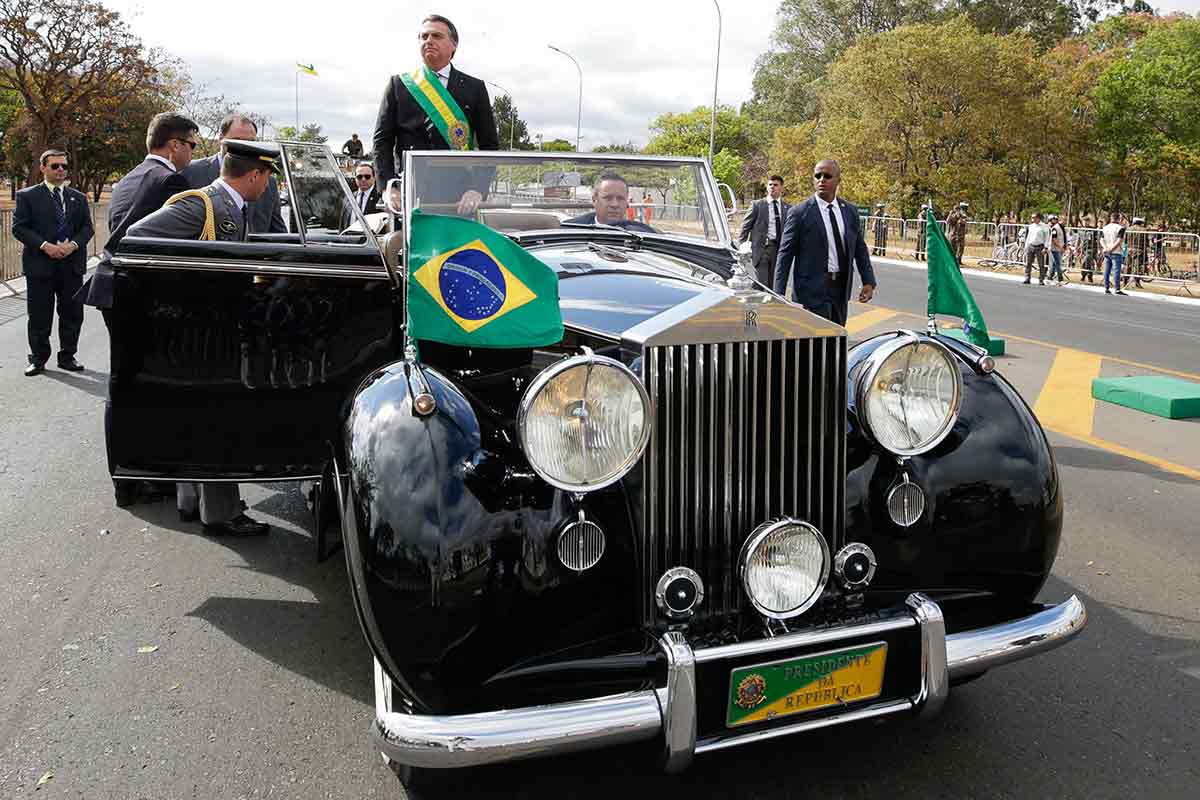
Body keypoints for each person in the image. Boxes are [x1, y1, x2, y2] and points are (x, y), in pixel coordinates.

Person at [125, 140, 281, 537]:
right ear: (255, 175)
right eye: (267, 178)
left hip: (211, 328)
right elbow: (137, 238)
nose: (267, 187)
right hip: (201, 329)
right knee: (218, 418)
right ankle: (222, 513)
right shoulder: (201, 204)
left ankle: (193, 501)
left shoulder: (229, 205)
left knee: (198, 415)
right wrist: (184, 294)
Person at [372, 14, 499, 214]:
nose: (429, 41)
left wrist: (478, 189)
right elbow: (382, 141)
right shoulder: (399, 85)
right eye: (424, 37)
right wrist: (388, 186)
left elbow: (490, 145)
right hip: (410, 194)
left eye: (437, 36)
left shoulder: (475, 88)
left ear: (453, 45)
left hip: (459, 199)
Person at [81, 113, 198, 310]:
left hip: (112, 283)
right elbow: (182, 240)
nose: (193, 152)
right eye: (192, 145)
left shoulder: (129, 177)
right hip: (145, 288)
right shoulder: (171, 181)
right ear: (175, 145)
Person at [12, 149, 94, 376]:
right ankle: (38, 359)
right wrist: (45, 246)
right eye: (55, 166)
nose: (60, 170)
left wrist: (73, 246)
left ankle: (68, 356)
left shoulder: (78, 197)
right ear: (43, 168)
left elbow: (87, 228)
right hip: (40, 265)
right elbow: (19, 227)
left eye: (64, 166)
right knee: (39, 315)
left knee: (72, 313)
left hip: (71, 265)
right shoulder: (27, 196)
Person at [773, 159, 876, 325]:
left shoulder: (849, 211)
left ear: (838, 181)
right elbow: (785, 254)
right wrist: (778, 293)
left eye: (827, 176)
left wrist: (868, 281)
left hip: (840, 289)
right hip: (811, 292)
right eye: (817, 175)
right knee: (814, 344)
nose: (822, 180)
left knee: (835, 340)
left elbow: (859, 248)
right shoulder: (799, 213)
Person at [182, 113, 286, 234]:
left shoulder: (268, 183)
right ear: (221, 138)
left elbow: (278, 233)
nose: (244, 147)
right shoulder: (191, 172)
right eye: (237, 141)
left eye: (250, 142)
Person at [738, 175, 790, 287]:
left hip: (778, 251)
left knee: (775, 285)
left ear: (781, 188)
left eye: (776, 185)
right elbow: (745, 227)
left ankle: (772, 304)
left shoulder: (788, 208)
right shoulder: (757, 205)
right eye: (770, 184)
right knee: (761, 284)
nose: (772, 187)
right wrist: (741, 247)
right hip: (761, 251)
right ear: (767, 187)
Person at [565, 172, 657, 232]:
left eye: (620, 198)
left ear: (627, 202)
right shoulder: (571, 229)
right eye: (608, 198)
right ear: (594, 200)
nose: (615, 204)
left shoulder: (644, 234)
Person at [1100, 211, 1125, 295]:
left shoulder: (1105, 227)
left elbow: (1101, 239)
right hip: (1116, 251)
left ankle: (1106, 288)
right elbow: (1119, 241)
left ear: (1111, 218)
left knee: (1106, 270)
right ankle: (1117, 289)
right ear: (1118, 219)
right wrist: (1112, 249)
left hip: (1106, 251)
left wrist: (1105, 248)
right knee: (1116, 270)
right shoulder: (1120, 228)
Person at [1023, 213, 1050, 285]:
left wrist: (1046, 247)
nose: (1032, 219)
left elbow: (1047, 238)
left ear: (1038, 218)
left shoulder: (1044, 226)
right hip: (1031, 246)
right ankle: (1027, 278)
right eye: (1032, 217)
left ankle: (1041, 279)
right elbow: (1028, 237)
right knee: (1028, 263)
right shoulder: (1031, 226)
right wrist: (1026, 247)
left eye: (1034, 217)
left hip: (1040, 247)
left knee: (1041, 264)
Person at [1124, 216, 1148, 289]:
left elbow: (1125, 241)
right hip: (1139, 250)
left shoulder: (1128, 229)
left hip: (1130, 250)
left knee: (1128, 266)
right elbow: (1146, 242)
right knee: (1138, 267)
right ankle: (1137, 282)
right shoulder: (1144, 230)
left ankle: (1125, 281)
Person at [945, 202, 969, 266]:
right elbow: (948, 222)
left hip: (960, 235)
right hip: (953, 234)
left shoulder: (963, 214)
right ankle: (951, 262)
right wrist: (954, 215)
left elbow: (964, 221)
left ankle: (958, 261)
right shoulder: (953, 214)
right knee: (952, 249)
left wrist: (960, 217)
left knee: (960, 249)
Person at [1047, 213, 1068, 285]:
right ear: (1060, 220)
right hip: (1055, 249)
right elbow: (1054, 239)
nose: (1066, 221)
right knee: (1058, 264)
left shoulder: (1062, 227)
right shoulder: (1055, 228)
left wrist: (1065, 246)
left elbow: (1063, 238)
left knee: (1054, 264)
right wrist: (1060, 247)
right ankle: (1060, 279)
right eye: (1064, 220)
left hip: (1059, 249)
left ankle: (1049, 278)